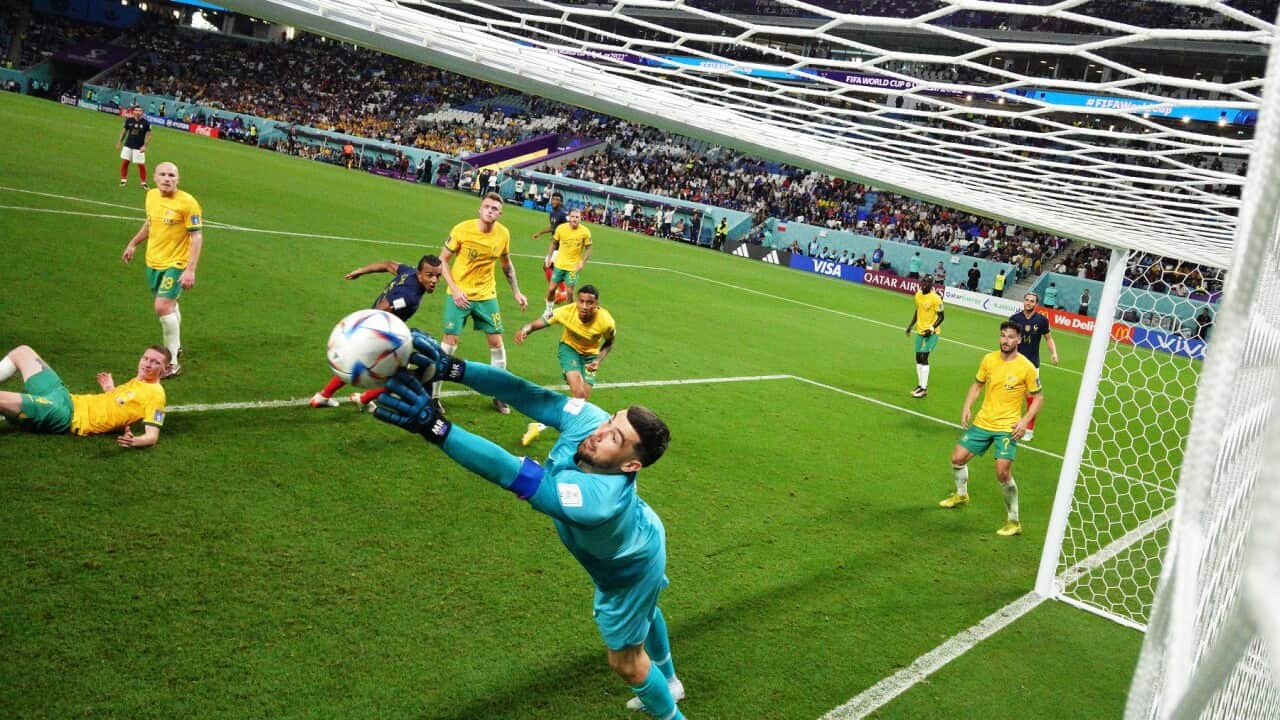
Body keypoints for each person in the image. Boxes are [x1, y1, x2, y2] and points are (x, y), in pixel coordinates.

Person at [371, 332, 685, 718]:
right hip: (643, 530)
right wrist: (453, 368)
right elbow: (528, 395)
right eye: (610, 421)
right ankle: (670, 681)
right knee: (646, 613)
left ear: (631, 464)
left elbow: (509, 471)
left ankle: (672, 711)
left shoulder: (595, 504)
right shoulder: (593, 422)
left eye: (614, 437)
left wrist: (434, 426)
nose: (599, 431)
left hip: (629, 570)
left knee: (626, 661)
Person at [940, 321, 1042, 537]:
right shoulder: (989, 359)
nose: (1006, 340)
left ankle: (1014, 521)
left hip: (1007, 427)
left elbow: (1038, 398)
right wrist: (967, 406)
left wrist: (1024, 422)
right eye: (1003, 336)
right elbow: (977, 384)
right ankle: (961, 495)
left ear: (1019, 340)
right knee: (957, 459)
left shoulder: (1026, 367)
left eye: (1011, 337)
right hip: (983, 422)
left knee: (1002, 473)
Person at [310, 255, 445, 410]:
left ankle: (324, 396)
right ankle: (364, 398)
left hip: (375, 331)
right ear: (419, 274)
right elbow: (386, 306)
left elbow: (388, 265)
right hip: (383, 337)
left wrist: (360, 271)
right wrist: (369, 328)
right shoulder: (410, 296)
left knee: (356, 362)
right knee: (402, 377)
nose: (434, 280)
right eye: (430, 275)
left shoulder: (409, 271)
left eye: (437, 276)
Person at [436, 192, 529, 415]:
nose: (489, 210)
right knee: (450, 342)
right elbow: (442, 260)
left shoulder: (503, 234)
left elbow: (507, 265)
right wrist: (456, 289)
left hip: (487, 296)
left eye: (494, 208)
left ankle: (499, 394)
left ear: (500, 213)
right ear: (479, 209)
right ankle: (433, 396)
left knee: (497, 343)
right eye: (486, 206)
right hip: (460, 295)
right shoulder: (462, 229)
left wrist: (516, 291)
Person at [121, 162, 203, 378]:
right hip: (154, 262)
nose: (168, 178)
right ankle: (176, 347)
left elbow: (196, 236)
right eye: (163, 174)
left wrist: (190, 270)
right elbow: (150, 225)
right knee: (170, 305)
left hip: (176, 264)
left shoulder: (188, 203)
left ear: (178, 179)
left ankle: (172, 363)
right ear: (155, 178)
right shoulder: (151, 197)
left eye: (172, 175)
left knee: (162, 306)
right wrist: (133, 243)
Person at [0, 344, 169, 448]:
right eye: (146, 358)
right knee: (22, 352)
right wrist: (110, 389)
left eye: (156, 362)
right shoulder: (139, 381)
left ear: (165, 369)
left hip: (65, 416)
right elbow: (119, 408)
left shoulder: (156, 394)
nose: (148, 364)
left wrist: (135, 441)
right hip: (65, 397)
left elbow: (152, 436)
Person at [516, 284, 616, 445]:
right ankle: (572, 436)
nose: (584, 306)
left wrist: (598, 360)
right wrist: (525, 329)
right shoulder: (565, 312)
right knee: (578, 394)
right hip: (569, 350)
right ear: (576, 300)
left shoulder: (606, 321)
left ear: (596, 305)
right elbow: (539, 323)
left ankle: (538, 426)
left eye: (589, 303)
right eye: (581, 301)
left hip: (590, 356)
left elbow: (610, 342)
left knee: (581, 403)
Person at [1009, 292, 1058, 442]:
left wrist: (1054, 353)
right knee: (1011, 394)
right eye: (1027, 300)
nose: (1028, 303)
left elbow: (1048, 338)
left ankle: (1029, 429)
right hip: (1014, 364)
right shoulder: (1014, 319)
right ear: (1023, 301)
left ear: (1036, 304)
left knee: (1031, 398)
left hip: (1032, 366)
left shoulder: (1042, 321)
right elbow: (1008, 338)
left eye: (1032, 301)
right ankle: (1011, 423)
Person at [539, 208, 592, 320]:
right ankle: (548, 311)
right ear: (569, 217)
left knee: (570, 292)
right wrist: (548, 257)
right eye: (573, 217)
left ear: (580, 218)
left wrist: (582, 262)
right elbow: (553, 243)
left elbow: (589, 248)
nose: (575, 219)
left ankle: (569, 315)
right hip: (559, 265)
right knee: (551, 289)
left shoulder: (585, 232)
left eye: (577, 217)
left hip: (573, 268)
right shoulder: (561, 229)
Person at [904, 275, 945, 398]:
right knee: (918, 357)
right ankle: (920, 385)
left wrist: (932, 328)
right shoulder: (918, 295)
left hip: (932, 333)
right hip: (920, 331)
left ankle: (924, 388)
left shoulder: (936, 299)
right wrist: (911, 325)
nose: (925, 284)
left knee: (923, 356)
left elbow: (942, 316)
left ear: (932, 284)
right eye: (924, 281)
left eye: (928, 282)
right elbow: (918, 310)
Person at [532, 192, 570, 306]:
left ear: (561, 202)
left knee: (548, 266)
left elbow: (570, 228)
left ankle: (560, 292)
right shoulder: (553, 213)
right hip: (555, 245)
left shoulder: (563, 214)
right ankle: (560, 291)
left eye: (557, 199)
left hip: (562, 245)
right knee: (551, 267)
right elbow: (553, 227)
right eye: (553, 199)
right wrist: (540, 233)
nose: (554, 201)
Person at [116, 106, 151, 189]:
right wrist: (119, 142)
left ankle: (143, 183)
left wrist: (145, 146)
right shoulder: (129, 120)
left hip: (139, 147)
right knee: (125, 162)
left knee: (141, 165)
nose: (138, 112)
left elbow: (149, 135)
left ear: (142, 112)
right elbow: (124, 132)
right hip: (128, 145)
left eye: (139, 110)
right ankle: (123, 180)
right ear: (133, 112)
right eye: (136, 110)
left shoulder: (146, 123)